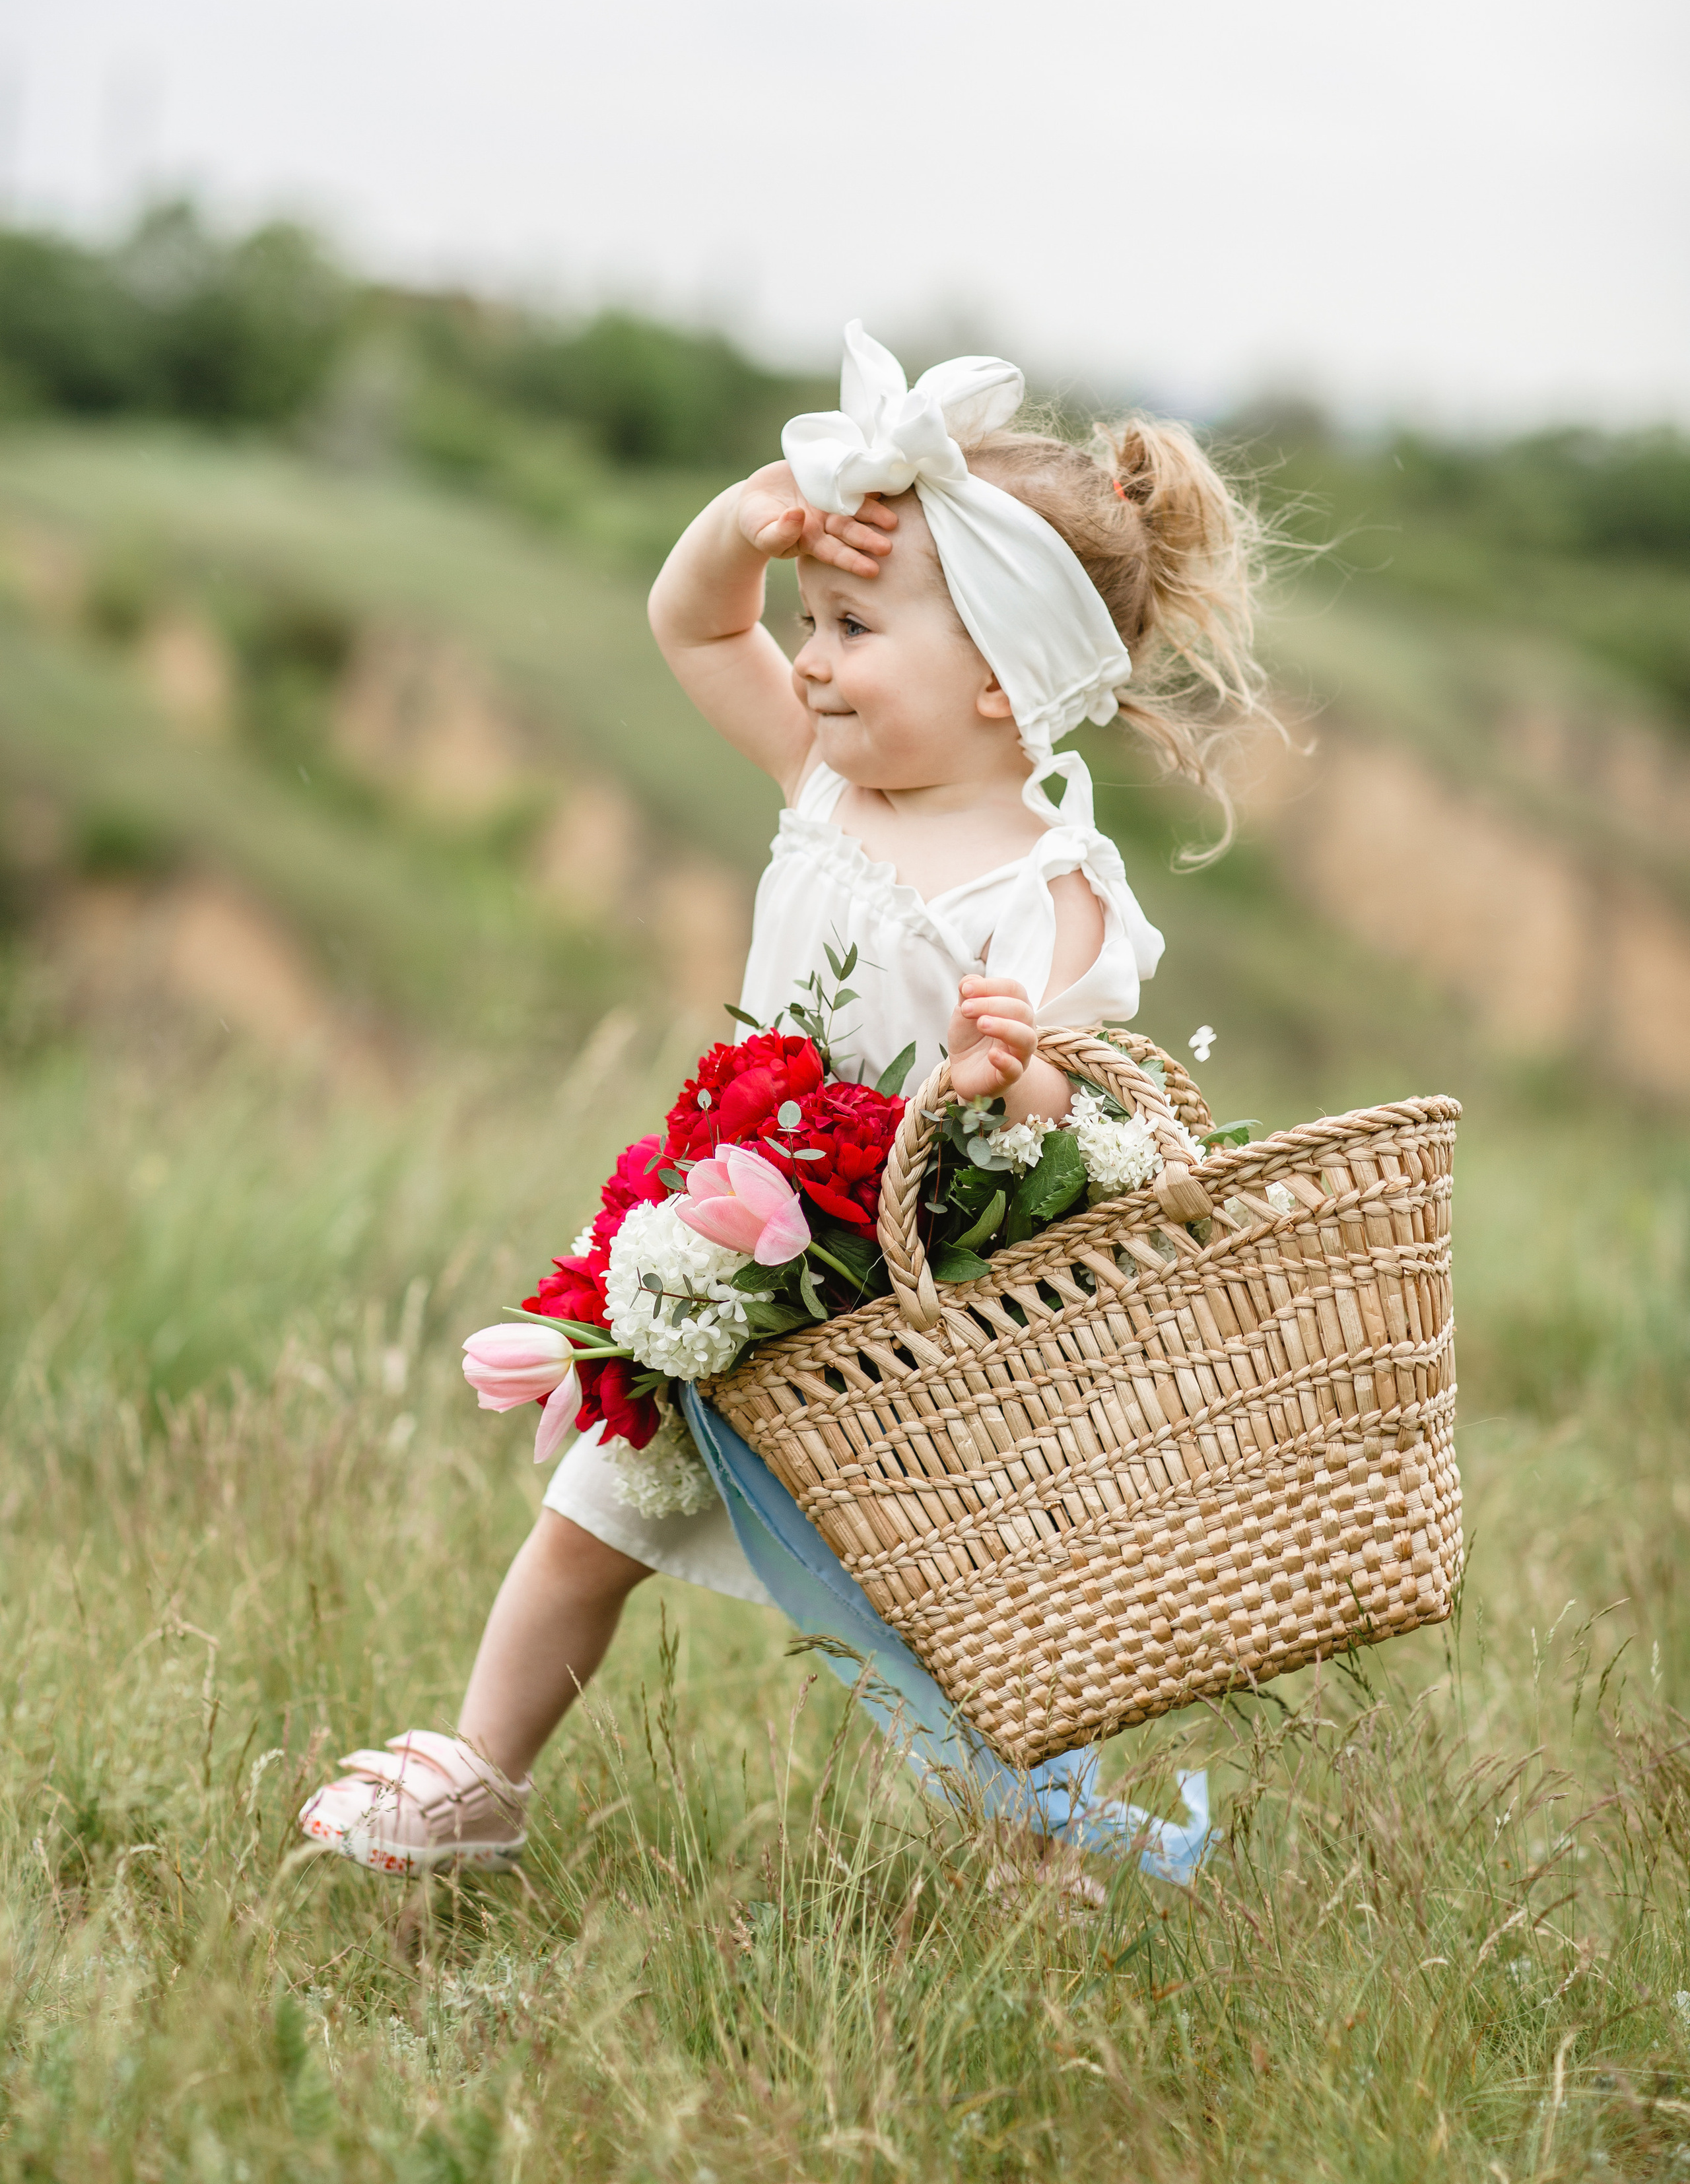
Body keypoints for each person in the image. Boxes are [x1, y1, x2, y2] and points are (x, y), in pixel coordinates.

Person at [299, 324, 1273, 1878]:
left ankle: (1033, 1849)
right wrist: (747, 520)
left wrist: (1002, 1068)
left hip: (912, 1305)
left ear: (999, 684)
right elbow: (692, 629)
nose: (806, 658)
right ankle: (477, 1775)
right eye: (809, 620)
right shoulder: (825, 784)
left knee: (955, 1607)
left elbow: (1073, 1114)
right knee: (590, 1523)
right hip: (736, 1261)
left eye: (852, 628)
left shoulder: (1053, 889)